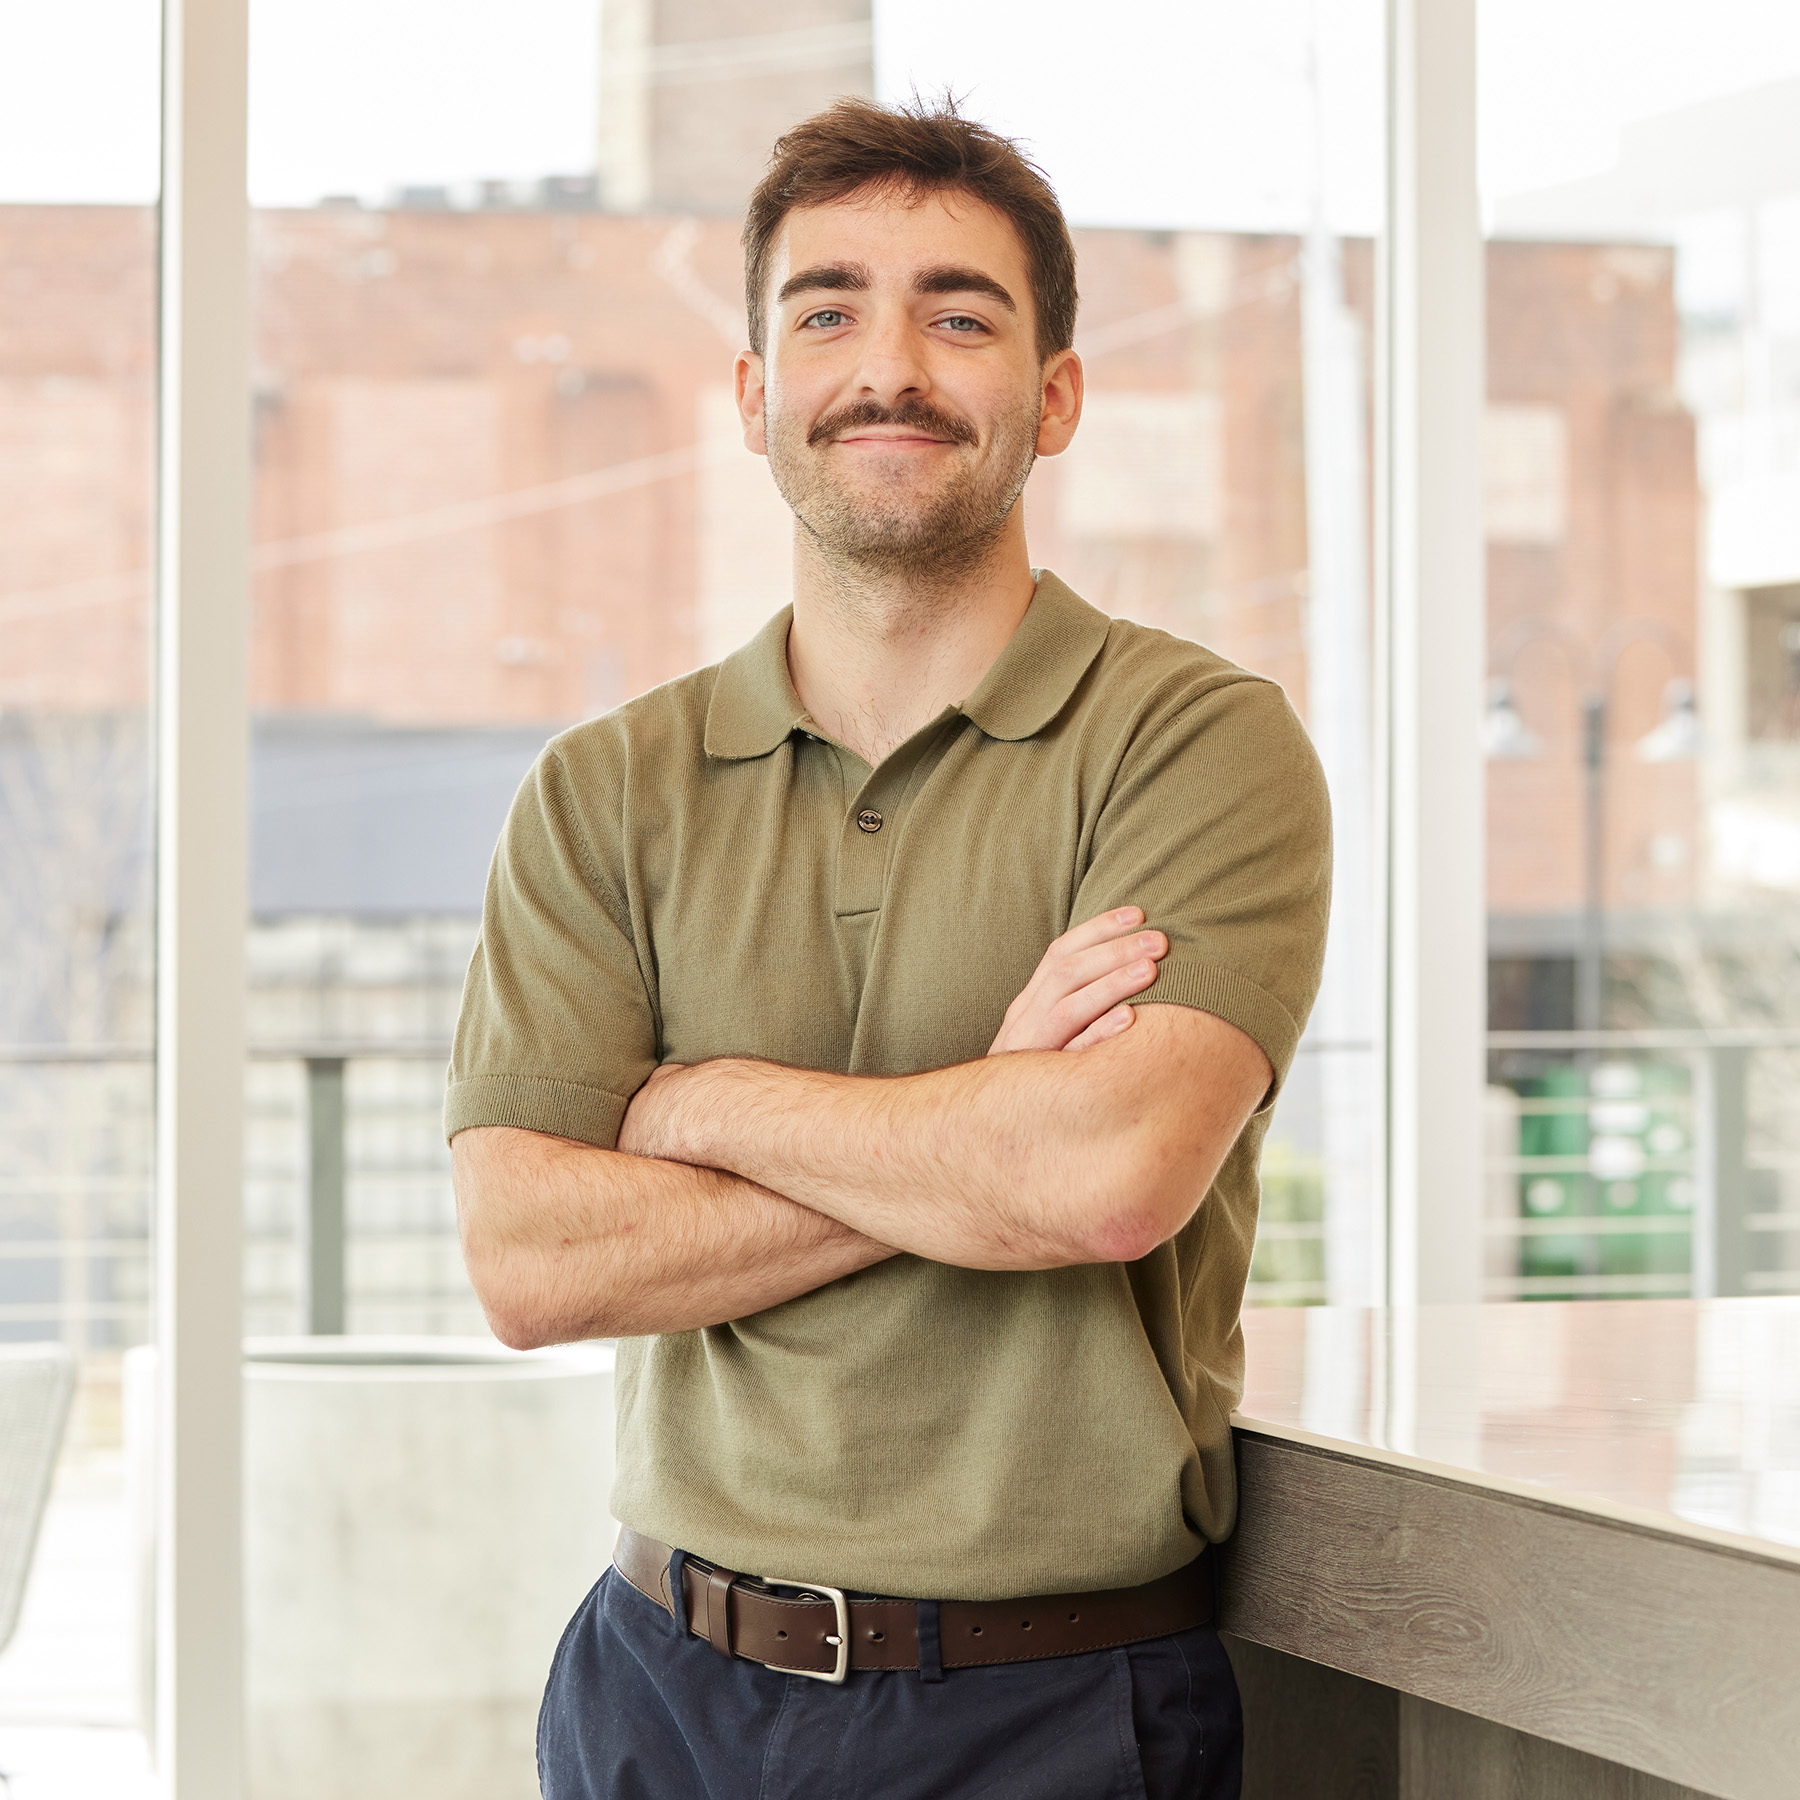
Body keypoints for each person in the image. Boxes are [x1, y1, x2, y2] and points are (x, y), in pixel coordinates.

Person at [448, 95, 1330, 1800]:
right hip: (658, 1696)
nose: (891, 363)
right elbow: (532, 1261)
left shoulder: (1195, 745)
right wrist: (979, 1115)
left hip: (1054, 1710)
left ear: (1054, 394)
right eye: (828, 309)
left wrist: (690, 1101)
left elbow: (1104, 1181)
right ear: (755, 393)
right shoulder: (605, 789)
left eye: (961, 312)